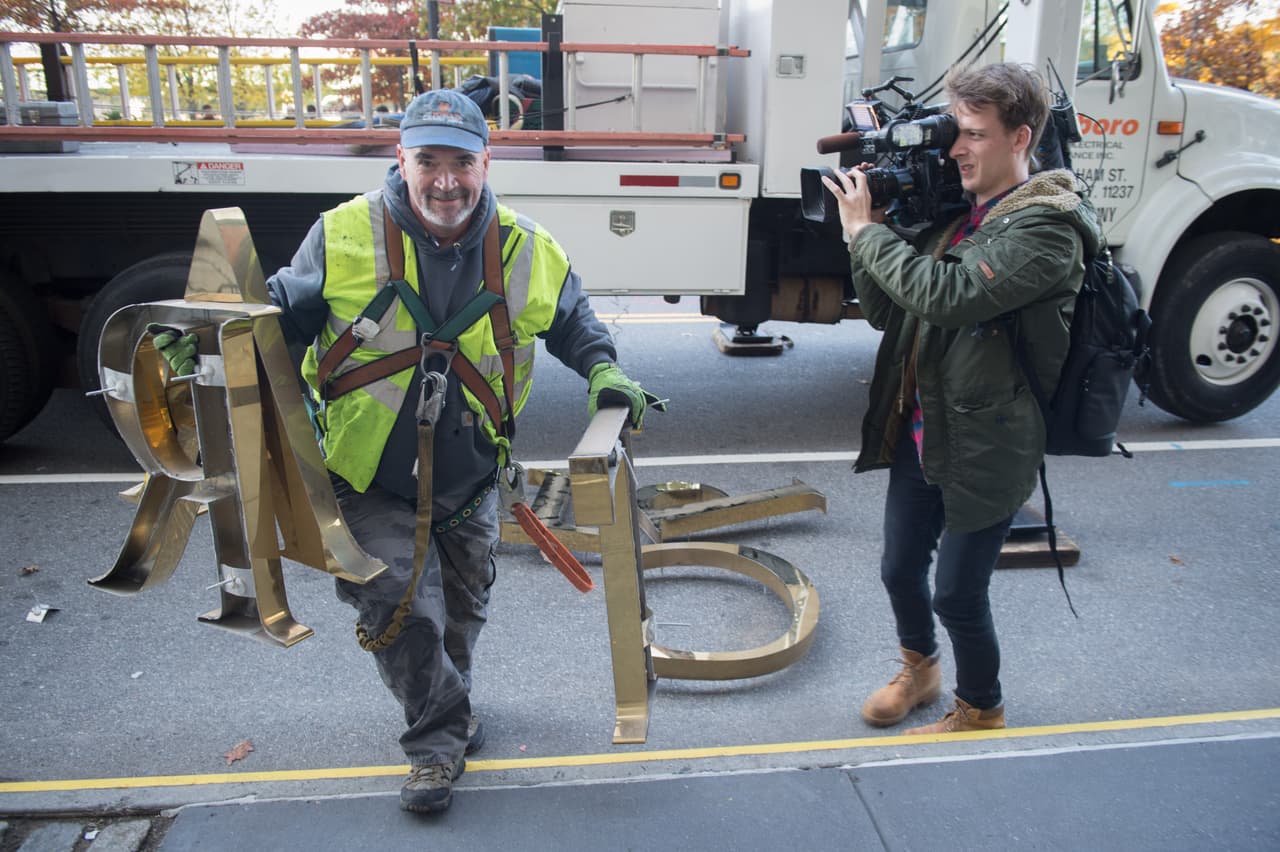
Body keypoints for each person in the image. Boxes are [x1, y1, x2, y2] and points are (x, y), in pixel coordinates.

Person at [152, 89, 661, 811]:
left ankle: (444, 710)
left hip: (472, 477)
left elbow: (572, 319)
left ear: (486, 163)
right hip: (365, 477)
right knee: (396, 609)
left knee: (460, 613)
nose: (445, 180)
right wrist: (213, 337)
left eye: (462, 162)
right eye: (429, 161)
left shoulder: (523, 247)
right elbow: (278, 317)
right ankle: (436, 745)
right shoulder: (344, 234)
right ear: (402, 159)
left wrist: (604, 367)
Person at [820, 63, 1102, 735]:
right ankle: (920, 671)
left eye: (973, 134)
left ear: (1020, 137)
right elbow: (895, 311)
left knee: (958, 594)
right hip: (928, 428)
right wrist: (871, 231)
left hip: (990, 442)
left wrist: (869, 235)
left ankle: (982, 707)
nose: (955, 150)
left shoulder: (1047, 231)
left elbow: (950, 298)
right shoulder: (960, 215)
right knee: (898, 569)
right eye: (955, 132)